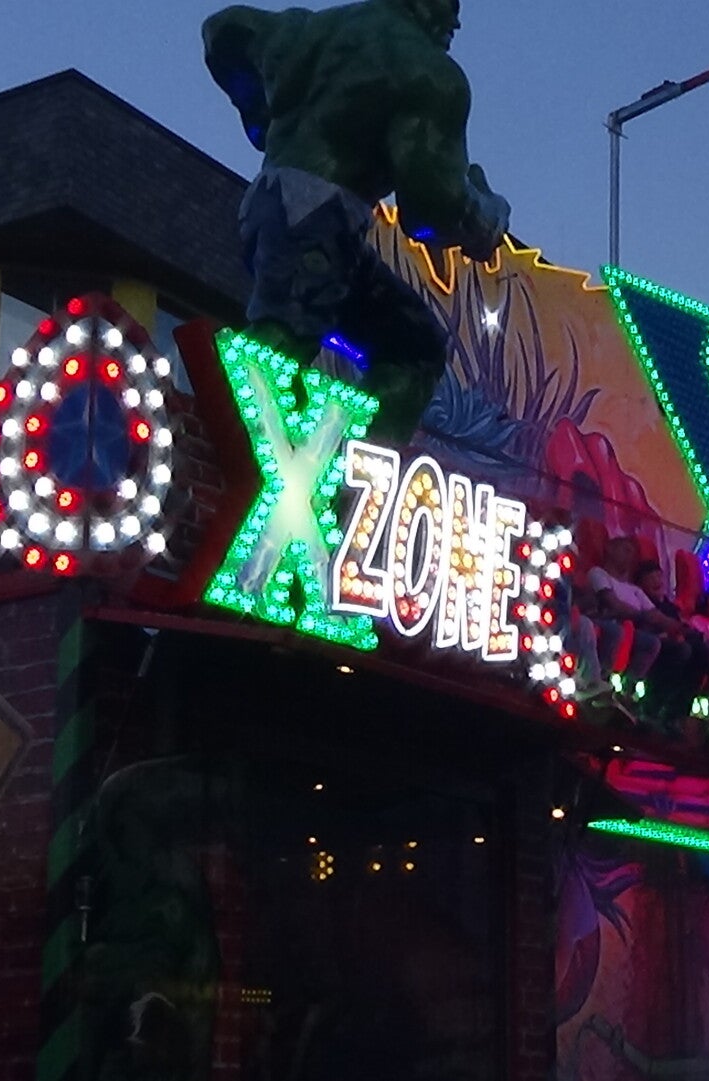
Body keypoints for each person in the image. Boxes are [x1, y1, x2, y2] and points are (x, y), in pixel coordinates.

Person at [203, 0, 512, 444]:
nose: (455, 20)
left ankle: (324, 455)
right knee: (283, 337)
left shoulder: (309, 29)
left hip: (268, 205)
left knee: (413, 346)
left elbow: (224, 31)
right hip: (319, 216)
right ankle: (254, 448)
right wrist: (483, 219)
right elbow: (429, 209)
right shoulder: (426, 72)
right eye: (448, 2)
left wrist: (261, 115)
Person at [584, 537, 662, 682]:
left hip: (631, 626)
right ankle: (600, 681)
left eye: (632, 553)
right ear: (610, 549)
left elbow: (656, 615)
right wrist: (642, 616)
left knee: (653, 643)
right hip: (605, 618)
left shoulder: (634, 589)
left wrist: (679, 627)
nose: (630, 556)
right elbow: (611, 602)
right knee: (615, 631)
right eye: (626, 550)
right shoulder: (599, 573)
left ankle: (628, 687)